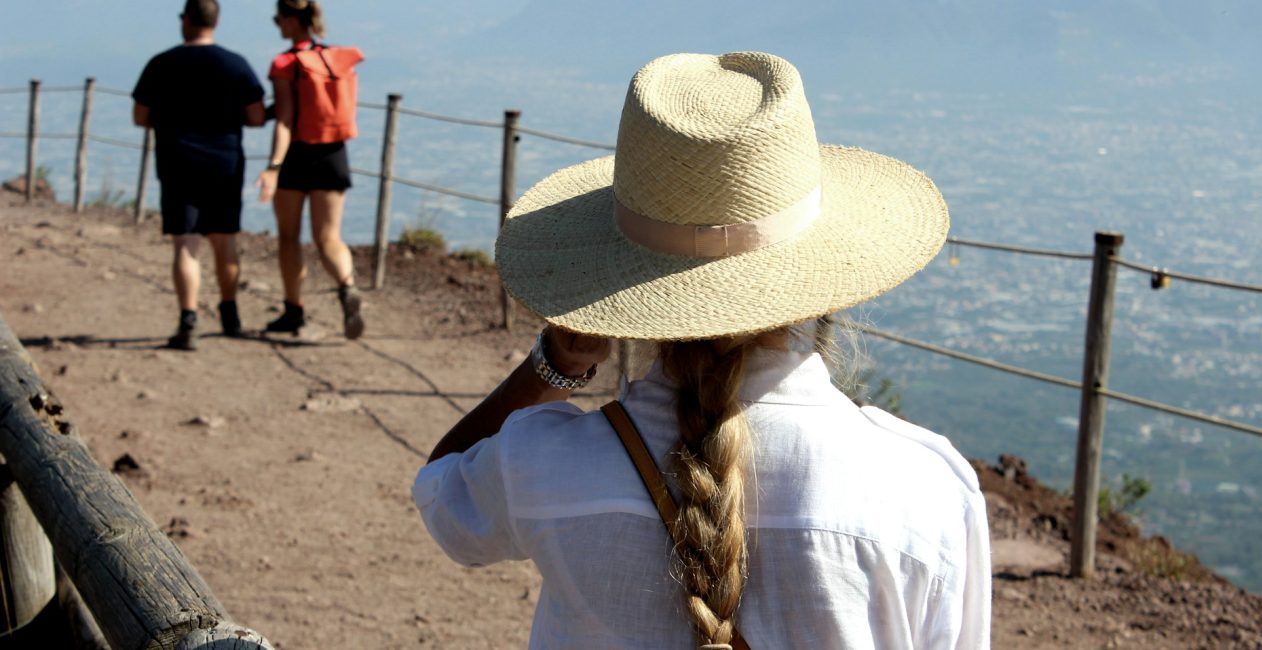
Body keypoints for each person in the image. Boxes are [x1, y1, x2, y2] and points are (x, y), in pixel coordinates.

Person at [412, 52, 991, 649]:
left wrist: (552, 368)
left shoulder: (541, 464)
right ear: (819, 275)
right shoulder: (924, 488)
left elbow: (440, 493)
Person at [132, 0, 266, 351]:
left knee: (185, 242)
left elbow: (140, 116)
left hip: (177, 160)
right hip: (224, 162)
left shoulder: (161, 63)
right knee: (225, 240)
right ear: (216, 21)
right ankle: (230, 312)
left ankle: (188, 318)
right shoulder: (235, 64)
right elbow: (255, 117)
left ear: (187, 20)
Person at [256, 0, 364, 339]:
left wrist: (273, 166)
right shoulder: (336, 59)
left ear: (290, 20)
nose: (277, 25)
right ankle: (347, 286)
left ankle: (294, 310)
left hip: (298, 155)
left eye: (278, 19)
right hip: (334, 154)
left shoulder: (286, 62)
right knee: (329, 237)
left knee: (290, 237)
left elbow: (285, 121)